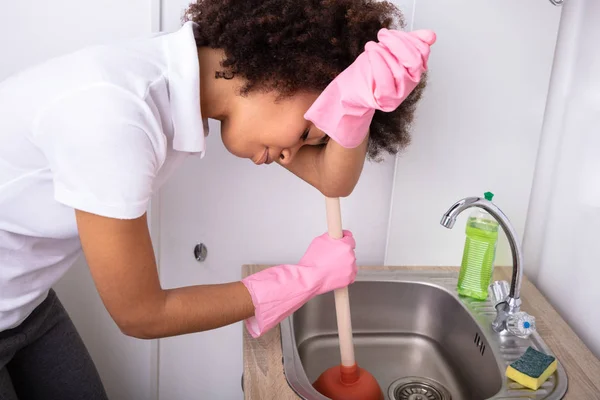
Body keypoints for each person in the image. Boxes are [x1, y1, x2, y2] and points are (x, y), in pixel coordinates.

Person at [0, 0, 433, 398]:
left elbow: (331, 180)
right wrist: (301, 280)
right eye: (304, 135)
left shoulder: (181, 80)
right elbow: (141, 315)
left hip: (24, 302)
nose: (289, 155)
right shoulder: (115, 115)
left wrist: (357, 107)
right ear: (286, 73)